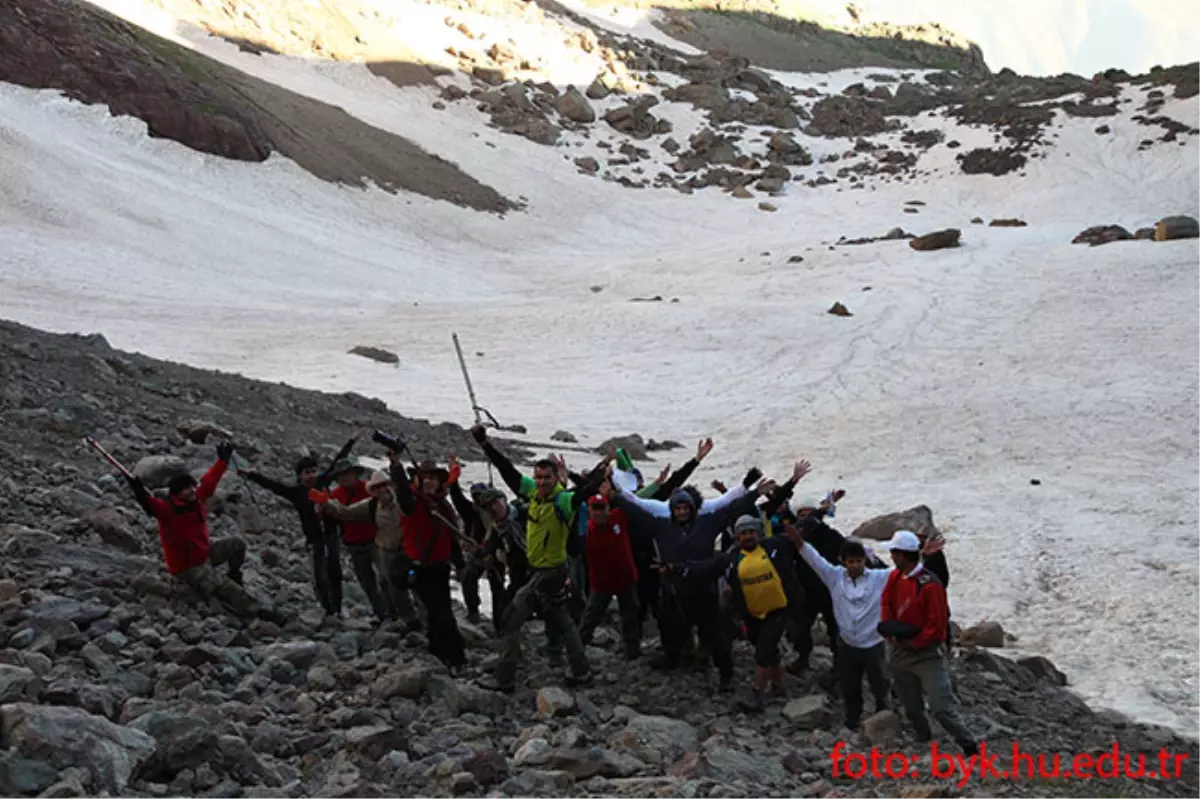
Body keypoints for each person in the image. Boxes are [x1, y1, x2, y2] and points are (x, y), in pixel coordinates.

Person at [611, 460, 803, 691]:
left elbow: (731, 509)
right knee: (670, 627)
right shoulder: (659, 525)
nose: (682, 512)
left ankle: (726, 674)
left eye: (686, 508)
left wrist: (753, 494)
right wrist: (614, 495)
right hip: (673, 587)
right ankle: (673, 659)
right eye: (678, 508)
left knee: (714, 634)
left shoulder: (708, 523)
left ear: (693, 509)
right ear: (672, 510)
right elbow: (635, 510)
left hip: (703, 588)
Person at [471, 424, 605, 693]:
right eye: (539, 477)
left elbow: (583, 494)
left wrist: (600, 477)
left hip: (549, 572)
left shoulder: (563, 501)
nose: (542, 482)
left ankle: (504, 678)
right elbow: (507, 470)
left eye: (547, 477)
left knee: (512, 617)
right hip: (546, 571)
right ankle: (581, 671)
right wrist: (486, 445)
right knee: (562, 618)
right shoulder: (532, 492)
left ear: (556, 478)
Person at [123, 441, 283, 623]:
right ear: (176, 494)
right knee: (225, 587)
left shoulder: (196, 499)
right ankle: (256, 611)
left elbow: (210, 480)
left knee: (237, 545)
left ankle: (234, 573)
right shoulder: (167, 511)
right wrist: (136, 488)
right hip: (188, 568)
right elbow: (148, 503)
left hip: (204, 553)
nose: (192, 490)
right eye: (186, 489)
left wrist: (222, 461)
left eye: (192, 487)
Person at [878, 530, 979, 756]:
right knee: (911, 706)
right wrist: (891, 631)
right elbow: (886, 604)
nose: (892, 556)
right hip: (898, 652)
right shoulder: (895, 577)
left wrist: (915, 642)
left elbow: (937, 625)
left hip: (926, 654)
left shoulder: (930, 585)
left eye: (894, 552)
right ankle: (924, 740)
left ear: (904, 555)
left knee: (941, 707)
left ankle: (969, 745)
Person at [240, 435, 357, 617]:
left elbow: (336, 461)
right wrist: (251, 475)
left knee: (335, 572)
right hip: (314, 539)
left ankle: (337, 607)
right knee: (319, 576)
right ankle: (327, 610)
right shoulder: (295, 493)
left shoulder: (322, 482)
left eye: (313, 471)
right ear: (300, 476)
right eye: (307, 473)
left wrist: (350, 442)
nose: (311, 475)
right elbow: (273, 486)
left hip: (331, 535)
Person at [792, 530, 892, 730]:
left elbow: (905, 570)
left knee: (879, 681)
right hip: (847, 643)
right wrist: (800, 544)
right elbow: (815, 560)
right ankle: (852, 719)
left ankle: (884, 714)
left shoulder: (879, 578)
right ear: (843, 561)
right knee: (850, 684)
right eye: (851, 561)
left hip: (873, 642)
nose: (855, 565)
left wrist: (925, 554)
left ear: (865, 560)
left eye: (859, 561)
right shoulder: (834, 576)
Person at [386, 450, 467, 671]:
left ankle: (450, 654)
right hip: (420, 568)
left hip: (441, 568)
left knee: (442, 612)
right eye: (426, 477)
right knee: (437, 613)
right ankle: (448, 656)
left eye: (435, 478)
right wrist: (395, 465)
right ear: (417, 480)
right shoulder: (412, 503)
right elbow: (403, 493)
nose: (430, 481)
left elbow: (451, 538)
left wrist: (460, 565)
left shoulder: (443, 506)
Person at [317, 469, 420, 630]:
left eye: (385, 485)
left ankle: (418, 619)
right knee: (387, 585)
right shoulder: (371, 505)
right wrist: (326, 503)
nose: (383, 490)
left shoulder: (404, 502)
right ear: (372, 491)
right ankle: (398, 618)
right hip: (384, 550)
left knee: (411, 584)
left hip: (407, 551)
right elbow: (346, 512)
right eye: (377, 487)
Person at [720, 514, 804, 705]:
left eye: (751, 532)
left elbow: (799, 534)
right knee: (766, 648)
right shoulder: (732, 558)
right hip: (752, 614)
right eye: (743, 533)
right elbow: (712, 569)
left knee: (763, 651)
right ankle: (778, 686)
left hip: (778, 609)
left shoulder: (774, 546)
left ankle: (757, 693)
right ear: (737, 536)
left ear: (758, 532)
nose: (748, 536)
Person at [577, 494, 641, 659]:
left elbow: (635, 503)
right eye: (594, 509)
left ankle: (632, 649)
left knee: (630, 614)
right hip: (601, 583)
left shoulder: (619, 517)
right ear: (589, 511)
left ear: (609, 509)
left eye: (602, 508)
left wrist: (615, 490)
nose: (599, 513)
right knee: (590, 616)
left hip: (626, 578)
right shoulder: (585, 530)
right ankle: (576, 649)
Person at [327, 460, 389, 622]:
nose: (345, 477)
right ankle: (382, 614)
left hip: (376, 541)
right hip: (354, 545)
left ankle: (396, 612)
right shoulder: (334, 496)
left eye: (348, 473)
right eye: (341, 475)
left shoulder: (369, 489)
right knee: (367, 583)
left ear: (355, 474)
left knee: (386, 578)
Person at [449, 478, 500, 625]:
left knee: (497, 586)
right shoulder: (471, 511)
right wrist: (454, 482)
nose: (478, 499)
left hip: (495, 554)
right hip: (476, 552)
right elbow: (458, 499)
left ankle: (498, 618)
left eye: (481, 495)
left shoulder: (496, 511)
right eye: (475, 496)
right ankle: (473, 611)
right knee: (468, 578)